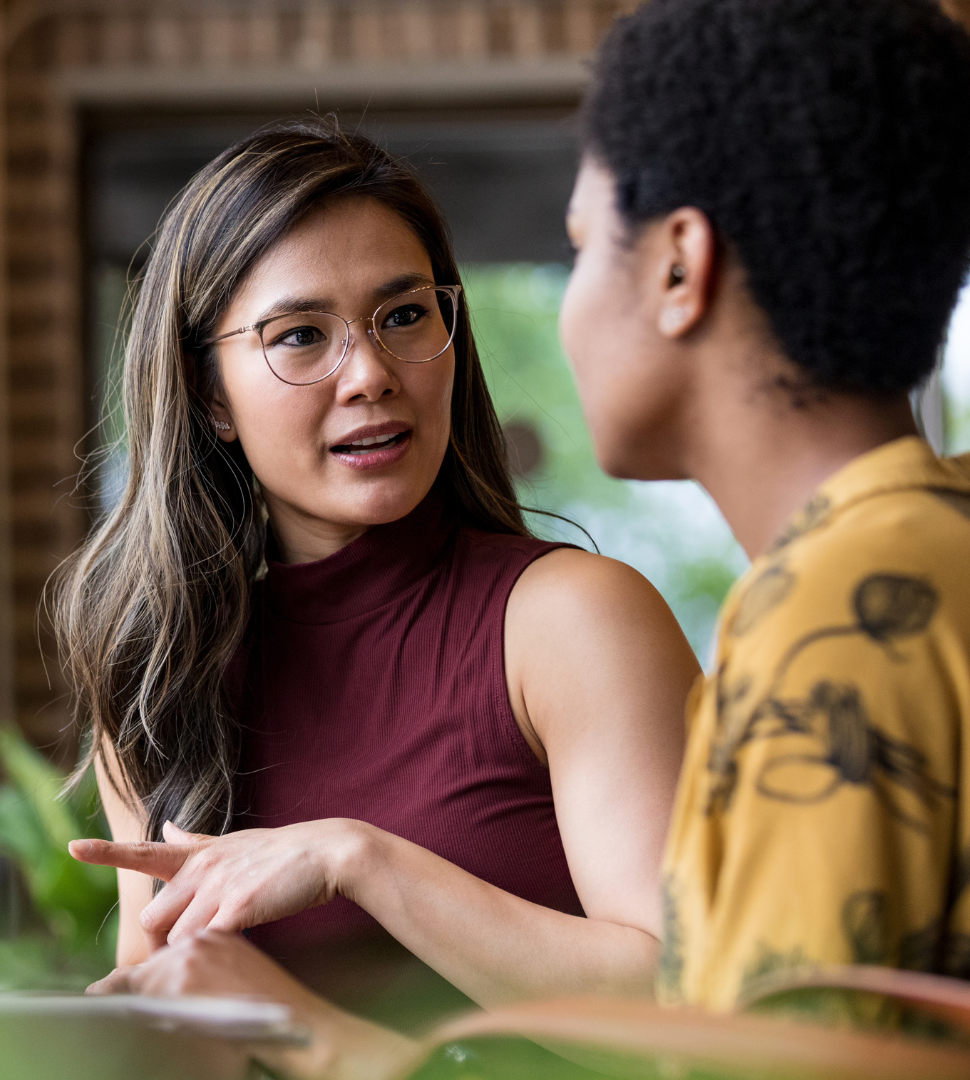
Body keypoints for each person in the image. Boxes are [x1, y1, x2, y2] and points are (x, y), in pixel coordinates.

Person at [60, 120, 698, 1029]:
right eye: (300, 335)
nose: (369, 373)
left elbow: (685, 1005)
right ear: (210, 395)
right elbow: (166, 1003)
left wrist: (362, 860)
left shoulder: (570, 620)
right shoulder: (161, 673)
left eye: (404, 315)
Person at [566, 0, 970, 1012]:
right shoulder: (935, 542)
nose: (572, 303)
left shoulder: (835, 616)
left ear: (677, 265)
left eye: (579, 246)